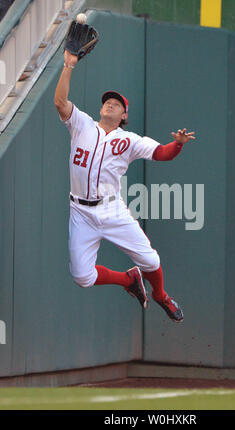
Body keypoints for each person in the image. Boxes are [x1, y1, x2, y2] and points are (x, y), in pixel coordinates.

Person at [54, 49, 195, 323]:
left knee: (152, 262)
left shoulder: (129, 140)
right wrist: (69, 65)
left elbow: (162, 154)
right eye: (107, 101)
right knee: (82, 277)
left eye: (116, 104)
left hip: (111, 210)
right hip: (80, 211)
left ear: (124, 115)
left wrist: (178, 144)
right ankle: (127, 279)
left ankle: (160, 295)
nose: (109, 104)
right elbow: (60, 102)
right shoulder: (82, 124)